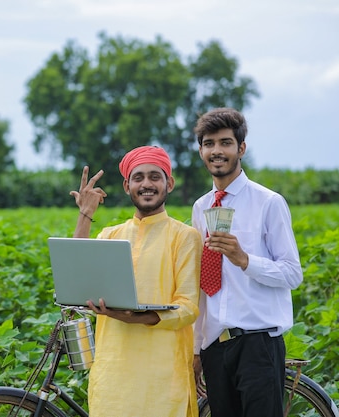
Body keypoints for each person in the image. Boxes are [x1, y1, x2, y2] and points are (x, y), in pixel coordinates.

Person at [70, 145, 202, 417]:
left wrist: (136, 317)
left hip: (164, 378)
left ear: (170, 183)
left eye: (155, 176)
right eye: (138, 177)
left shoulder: (185, 237)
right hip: (112, 375)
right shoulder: (109, 235)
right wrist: (85, 214)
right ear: (126, 185)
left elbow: (188, 307)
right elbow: (77, 280)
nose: (146, 184)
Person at [191, 108, 304, 417]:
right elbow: (204, 282)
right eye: (209, 143)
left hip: (258, 344)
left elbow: (292, 274)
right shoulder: (201, 207)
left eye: (226, 142)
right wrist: (198, 347)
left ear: (241, 148)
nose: (217, 151)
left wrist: (244, 260)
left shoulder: (268, 202)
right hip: (215, 346)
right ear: (201, 150)